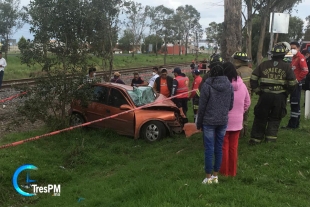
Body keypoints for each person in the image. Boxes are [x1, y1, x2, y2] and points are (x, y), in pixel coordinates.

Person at [249, 42, 298, 145]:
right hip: (279, 97)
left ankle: (256, 139)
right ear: (283, 55)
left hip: (265, 96)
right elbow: (293, 83)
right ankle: (270, 140)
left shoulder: (264, 64)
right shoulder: (287, 67)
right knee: (275, 117)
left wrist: (257, 90)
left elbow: (253, 78)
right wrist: (286, 93)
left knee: (260, 116)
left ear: (272, 54)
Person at [196, 60, 234, 184]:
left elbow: (201, 107)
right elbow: (230, 105)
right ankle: (215, 176)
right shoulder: (229, 84)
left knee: (209, 149)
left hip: (209, 121)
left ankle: (208, 177)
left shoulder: (207, 85)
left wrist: (199, 123)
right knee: (219, 148)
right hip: (223, 120)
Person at [220, 62, 251, 177]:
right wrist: (240, 112)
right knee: (233, 147)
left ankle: (224, 172)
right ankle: (232, 172)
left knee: (224, 147)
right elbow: (248, 102)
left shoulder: (222, 86)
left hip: (224, 121)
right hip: (238, 121)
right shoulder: (242, 85)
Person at [282, 42, 309, 129]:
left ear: (298, 48)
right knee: (295, 104)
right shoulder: (292, 57)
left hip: (296, 83)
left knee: (295, 103)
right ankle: (295, 123)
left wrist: (297, 79)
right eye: (291, 48)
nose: (292, 49)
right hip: (292, 82)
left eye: (294, 48)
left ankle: (293, 124)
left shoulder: (300, 58)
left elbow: (305, 70)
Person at [232, 51, 253, 138]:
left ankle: (239, 133)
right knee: (246, 114)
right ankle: (245, 131)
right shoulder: (251, 71)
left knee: (239, 114)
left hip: (238, 97)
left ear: (238, 61)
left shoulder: (237, 72)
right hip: (249, 95)